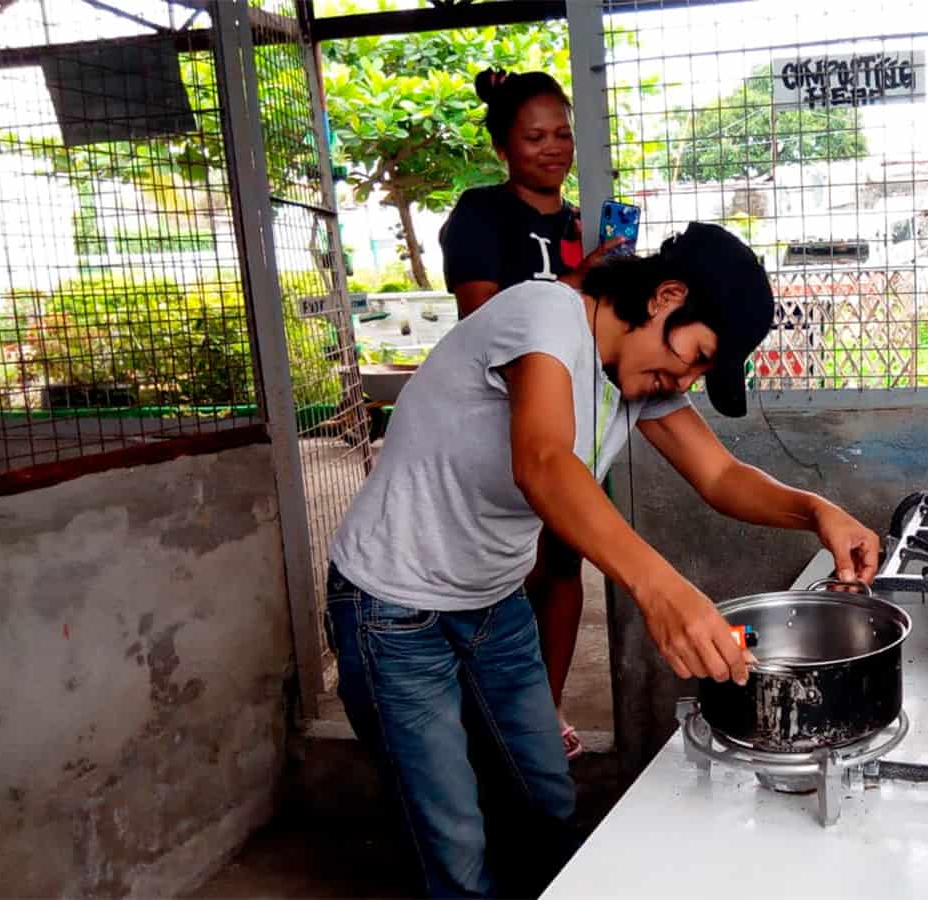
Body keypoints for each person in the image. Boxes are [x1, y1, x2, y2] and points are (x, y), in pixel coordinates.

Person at [326, 221, 880, 897]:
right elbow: (544, 461)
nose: (686, 378)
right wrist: (661, 589)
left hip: (491, 605)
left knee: (544, 801)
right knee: (451, 838)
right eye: (696, 356)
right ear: (665, 296)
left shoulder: (642, 377)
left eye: (702, 373)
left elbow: (720, 477)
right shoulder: (547, 315)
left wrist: (818, 511)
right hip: (392, 609)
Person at [436, 68, 622, 759]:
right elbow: (479, 318)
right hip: (497, 419)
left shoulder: (584, 221)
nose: (554, 148)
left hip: (575, 414)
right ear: (504, 148)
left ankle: (544, 714)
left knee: (563, 569)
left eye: (563, 133)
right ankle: (484, 710)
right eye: (535, 136)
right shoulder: (480, 212)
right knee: (499, 571)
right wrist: (582, 279)